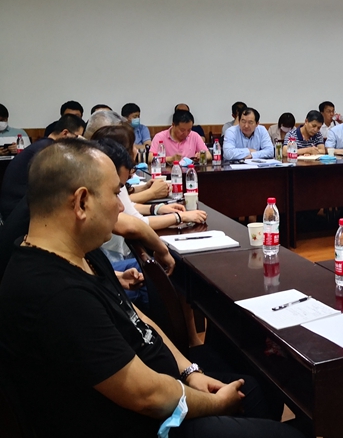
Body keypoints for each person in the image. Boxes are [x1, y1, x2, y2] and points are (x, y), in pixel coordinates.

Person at [0, 140, 302, 438]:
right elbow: (148, 396)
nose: (121, 206)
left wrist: (189, 371)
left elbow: (137, 319)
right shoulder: (55, 293)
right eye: (115, 193)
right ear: (81, 203)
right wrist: (215, 404)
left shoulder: (82, 253)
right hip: (148, 422)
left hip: (164, 387)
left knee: (257, 389)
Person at [0, 114, 85, 220]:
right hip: (18, 213)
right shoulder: (49, 150)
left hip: (16, 207)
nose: (78, 142)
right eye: (77, 137)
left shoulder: (42, 145)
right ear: (65, 133)